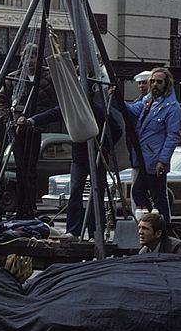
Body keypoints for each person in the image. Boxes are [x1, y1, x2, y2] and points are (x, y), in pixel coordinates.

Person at [27, 89, 123, 239]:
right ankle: (73, 231)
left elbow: (117, 129)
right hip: (79, 157)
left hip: (97, 156)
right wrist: (32, 120)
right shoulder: (72, 108)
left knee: (95, 193)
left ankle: (94, 232)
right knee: (76, 191)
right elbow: (53, 113)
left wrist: (105, 146)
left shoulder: (97, 110)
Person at [0, 43, 57, 218]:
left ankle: (29, 205)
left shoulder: (48, 76)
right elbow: (1, 101)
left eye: (33, 57)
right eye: (27, 56)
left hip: (36, 127)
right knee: (20, 166)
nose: (29, 61)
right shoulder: (13, 78)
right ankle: (21, 206)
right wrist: (9, 120)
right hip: (17, 127)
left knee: (31, 167)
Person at [125, 67, 181, 221]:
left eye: (159, 82)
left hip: (155, 160)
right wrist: (116, 99)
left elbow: (173, 136)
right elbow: (132, 111)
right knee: (139, 193)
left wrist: (163, 161)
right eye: (153, 81)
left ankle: (162, 228)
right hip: (144, 157)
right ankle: (154, 224)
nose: (155, 84)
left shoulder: (172, 108)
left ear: (166, 84)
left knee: (157, 197)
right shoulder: (148, 101)